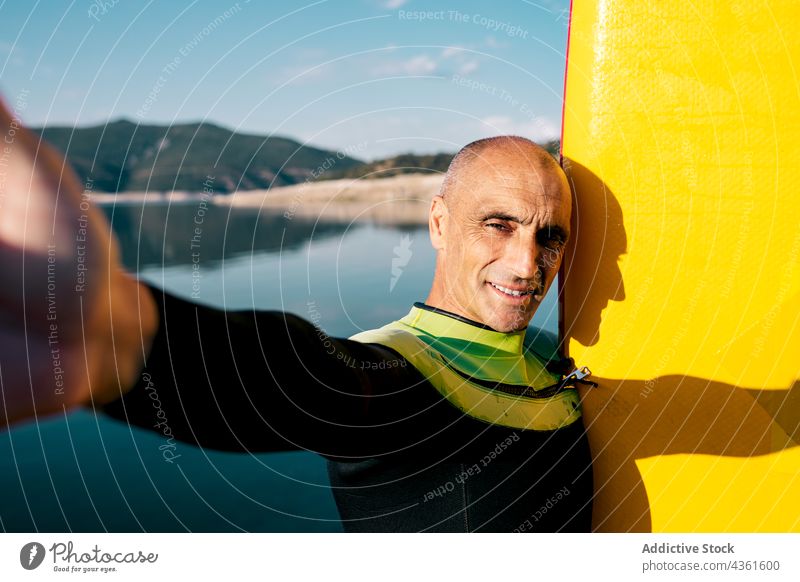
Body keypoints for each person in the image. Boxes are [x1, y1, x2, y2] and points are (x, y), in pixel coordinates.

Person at [0, 99, 593, 532]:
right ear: (438, 221)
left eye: (550, 237)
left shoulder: (549, 352)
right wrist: (109, 335)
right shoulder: (401, 378)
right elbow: (299, 379)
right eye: (499, 224)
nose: (525, 264)